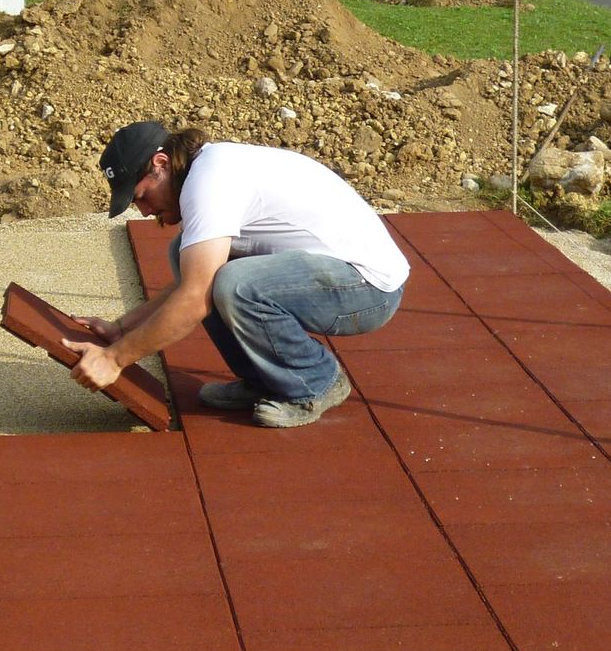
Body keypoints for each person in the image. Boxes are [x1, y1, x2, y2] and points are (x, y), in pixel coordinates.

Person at [64, 121, 409, 428]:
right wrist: (124, 329)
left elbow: (195, 299)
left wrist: (114, 359)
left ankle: (314, 381)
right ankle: (265, 379)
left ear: (161, 164)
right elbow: (195, 282)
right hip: (335, 270)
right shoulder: (208, 169)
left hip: (368, 288)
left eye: (141, 196)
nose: (144, 210)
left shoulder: (210, 181)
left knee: (236, 286)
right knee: (189, 253)